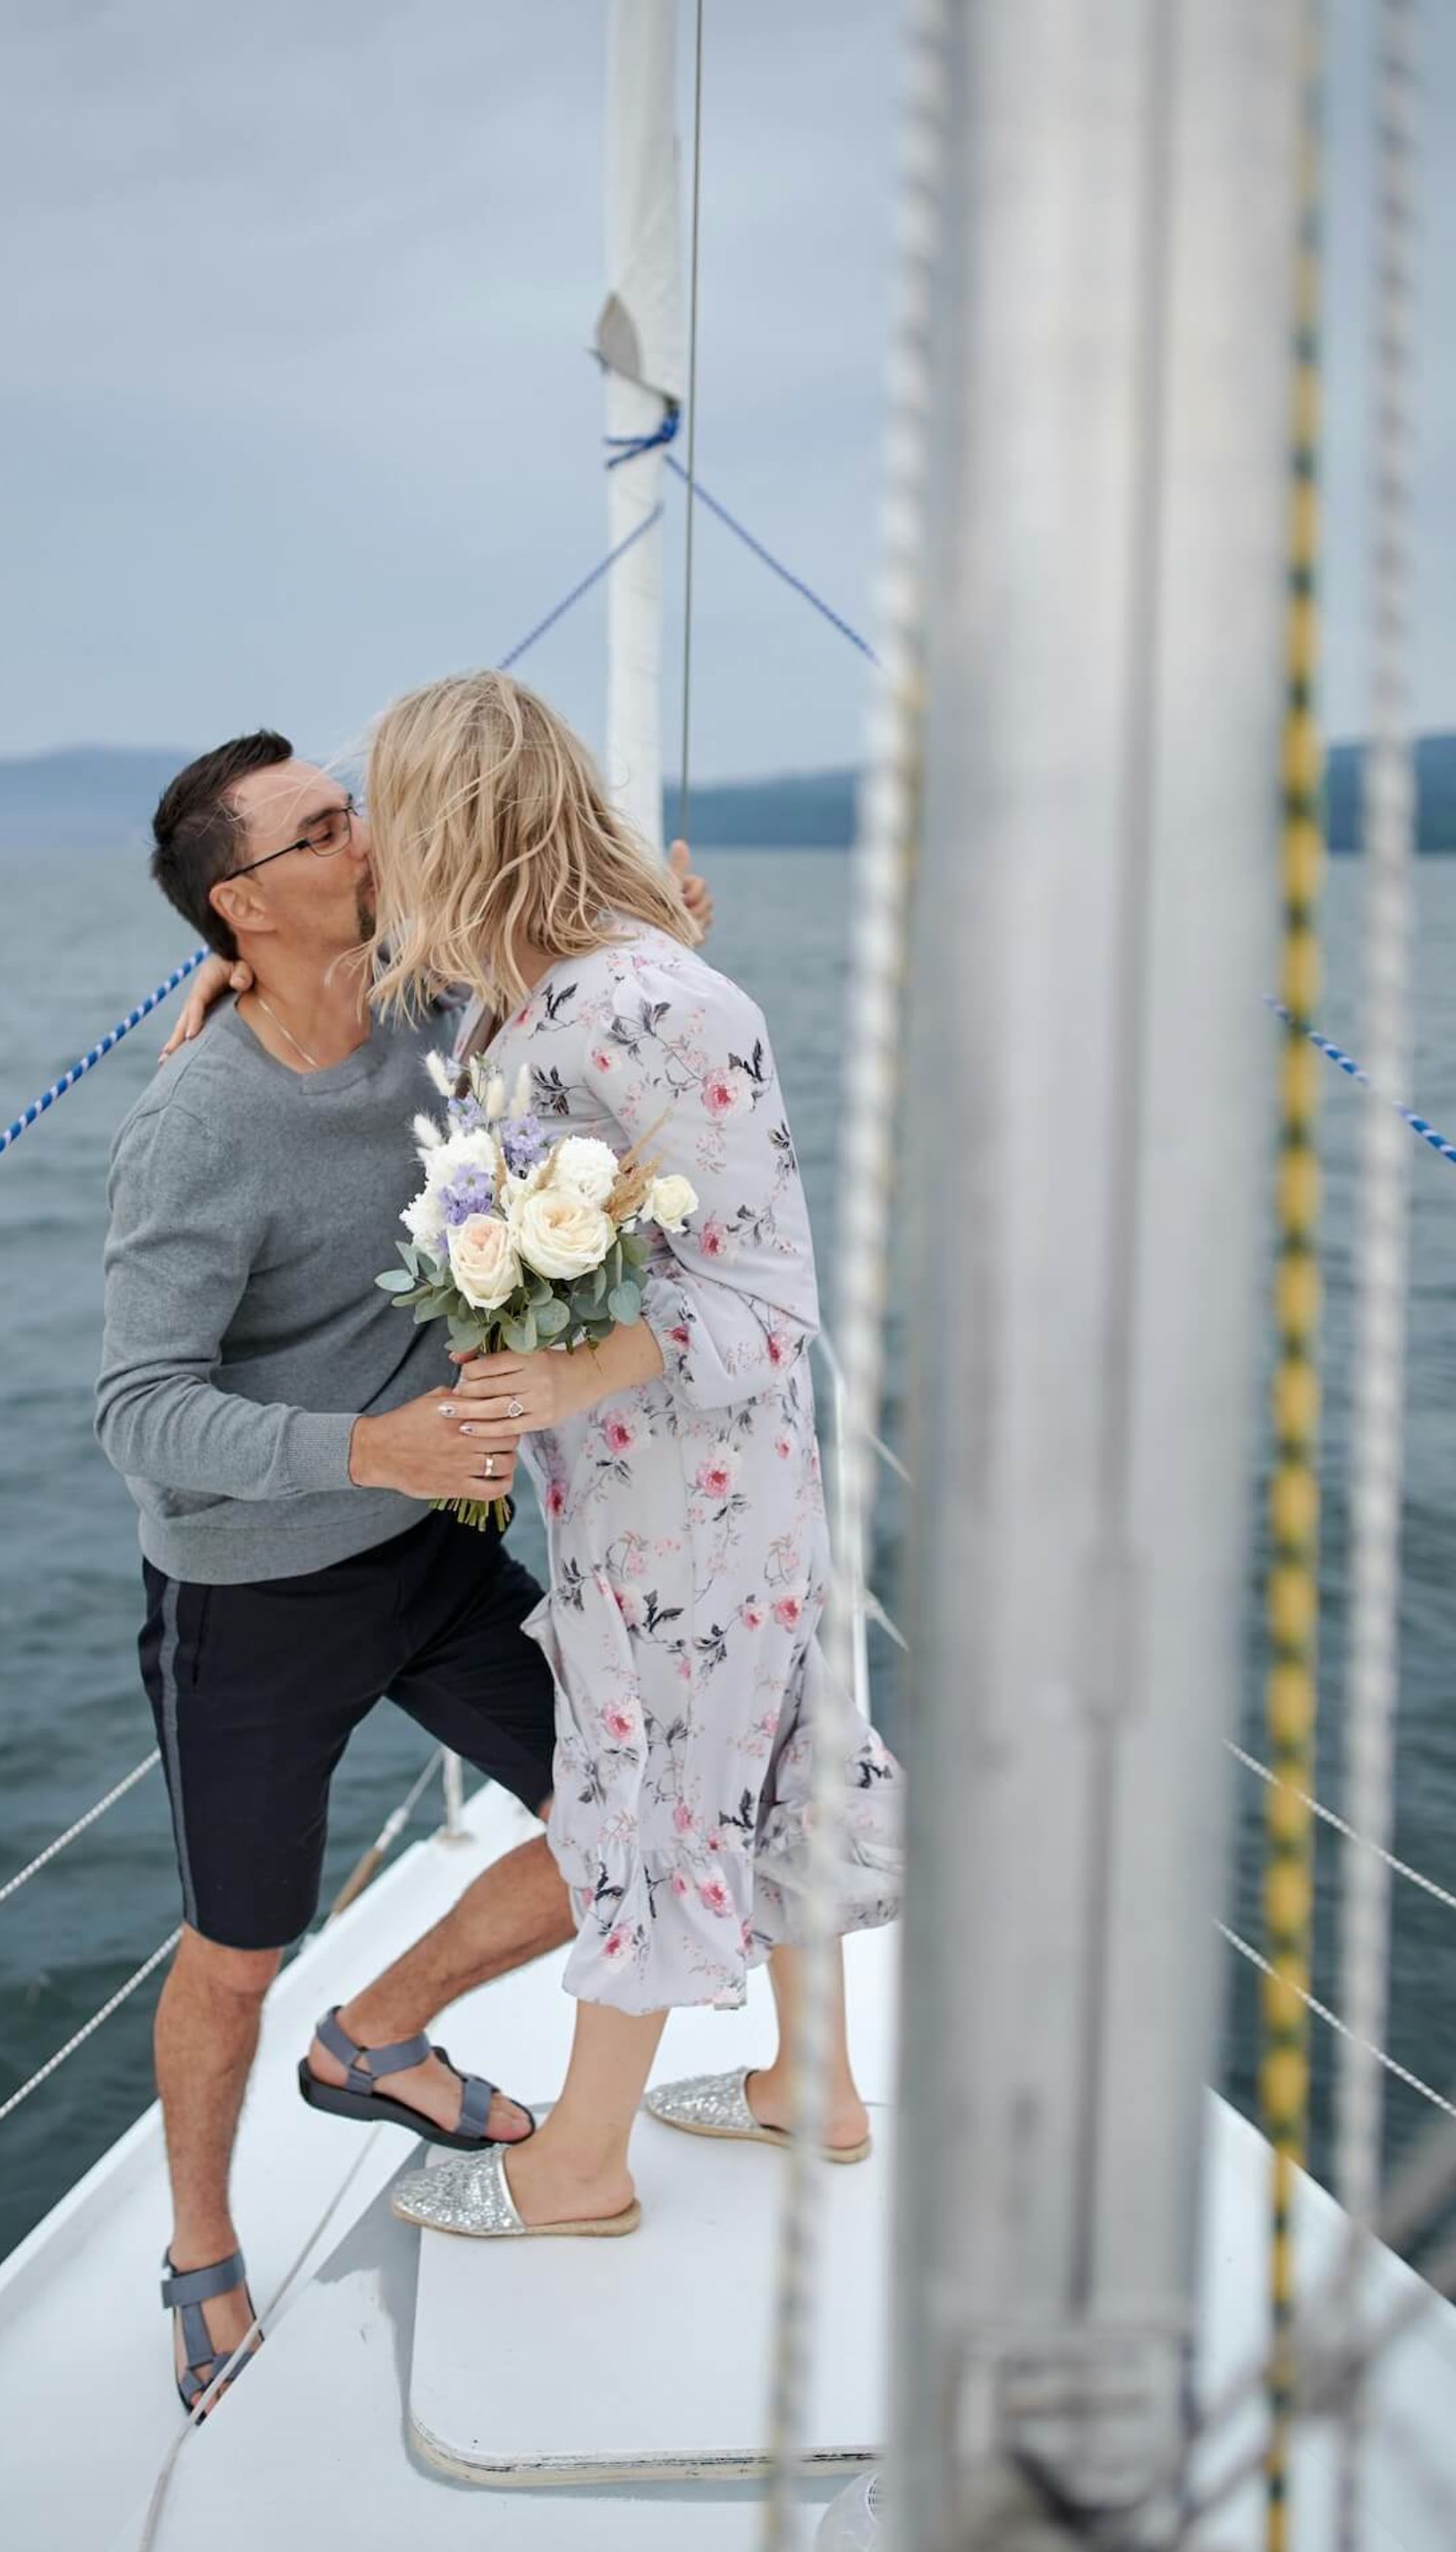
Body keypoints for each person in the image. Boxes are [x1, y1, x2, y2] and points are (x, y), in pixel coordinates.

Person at [97, 727, 713, 2406]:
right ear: (244, 904)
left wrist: (665, 933)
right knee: (236, 1951)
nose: (365, 836)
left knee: (628, 1822)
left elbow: (554, 987)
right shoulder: (198, 1125)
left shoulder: (430, 1000)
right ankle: (200, 2244)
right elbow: (137, 1409)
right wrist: (369, 1449)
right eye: (323, 829)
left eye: (352, 809)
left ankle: (371, 2036)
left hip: (435, 1552)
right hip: (253, 1595)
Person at [356, 670, 906, 2244]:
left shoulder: (656, 1000)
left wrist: (562, 1375)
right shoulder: (520, 997)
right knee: (764, 1748)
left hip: (697, 1496)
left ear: (458, 822)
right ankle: (815, 2085)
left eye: (391, 818)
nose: (377, 852)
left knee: (651, 1779)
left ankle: (581, 2164)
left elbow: (774, 1300)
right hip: (629, 1480)